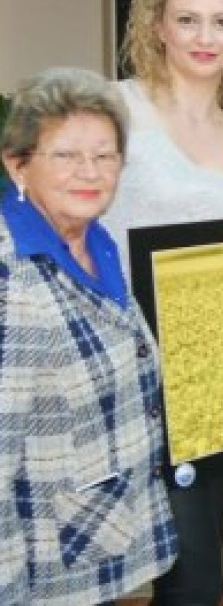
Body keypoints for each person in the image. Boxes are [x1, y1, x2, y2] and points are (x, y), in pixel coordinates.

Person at [102, 0, 223, 605]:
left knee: (196, 579)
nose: (206, 37)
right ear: (158, 26)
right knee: (189, 579)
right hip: (134, 382)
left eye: (222, 22)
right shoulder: (115, 111)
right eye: (189, 19)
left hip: (219, 387)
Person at [0, 67, 177, 605]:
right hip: (41, 574)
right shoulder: (11, 281)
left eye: (105, 155)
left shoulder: (96, 242)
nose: (90, 172)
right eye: (66, 155)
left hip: (91, 546)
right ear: (18, 164)